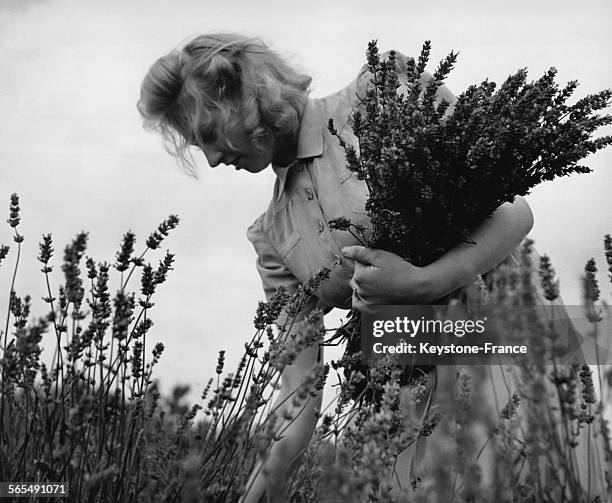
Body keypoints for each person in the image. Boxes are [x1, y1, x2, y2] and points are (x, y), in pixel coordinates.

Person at [138, 33, 541, 502]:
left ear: (242, 95)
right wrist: (254, 492)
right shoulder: (274, 239)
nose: (210, 159)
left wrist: (422, 282)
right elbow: (297, 401)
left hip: (503, 347)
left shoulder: (382, 93)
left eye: (208, 135)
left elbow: (516, 211)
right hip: (403, 406)